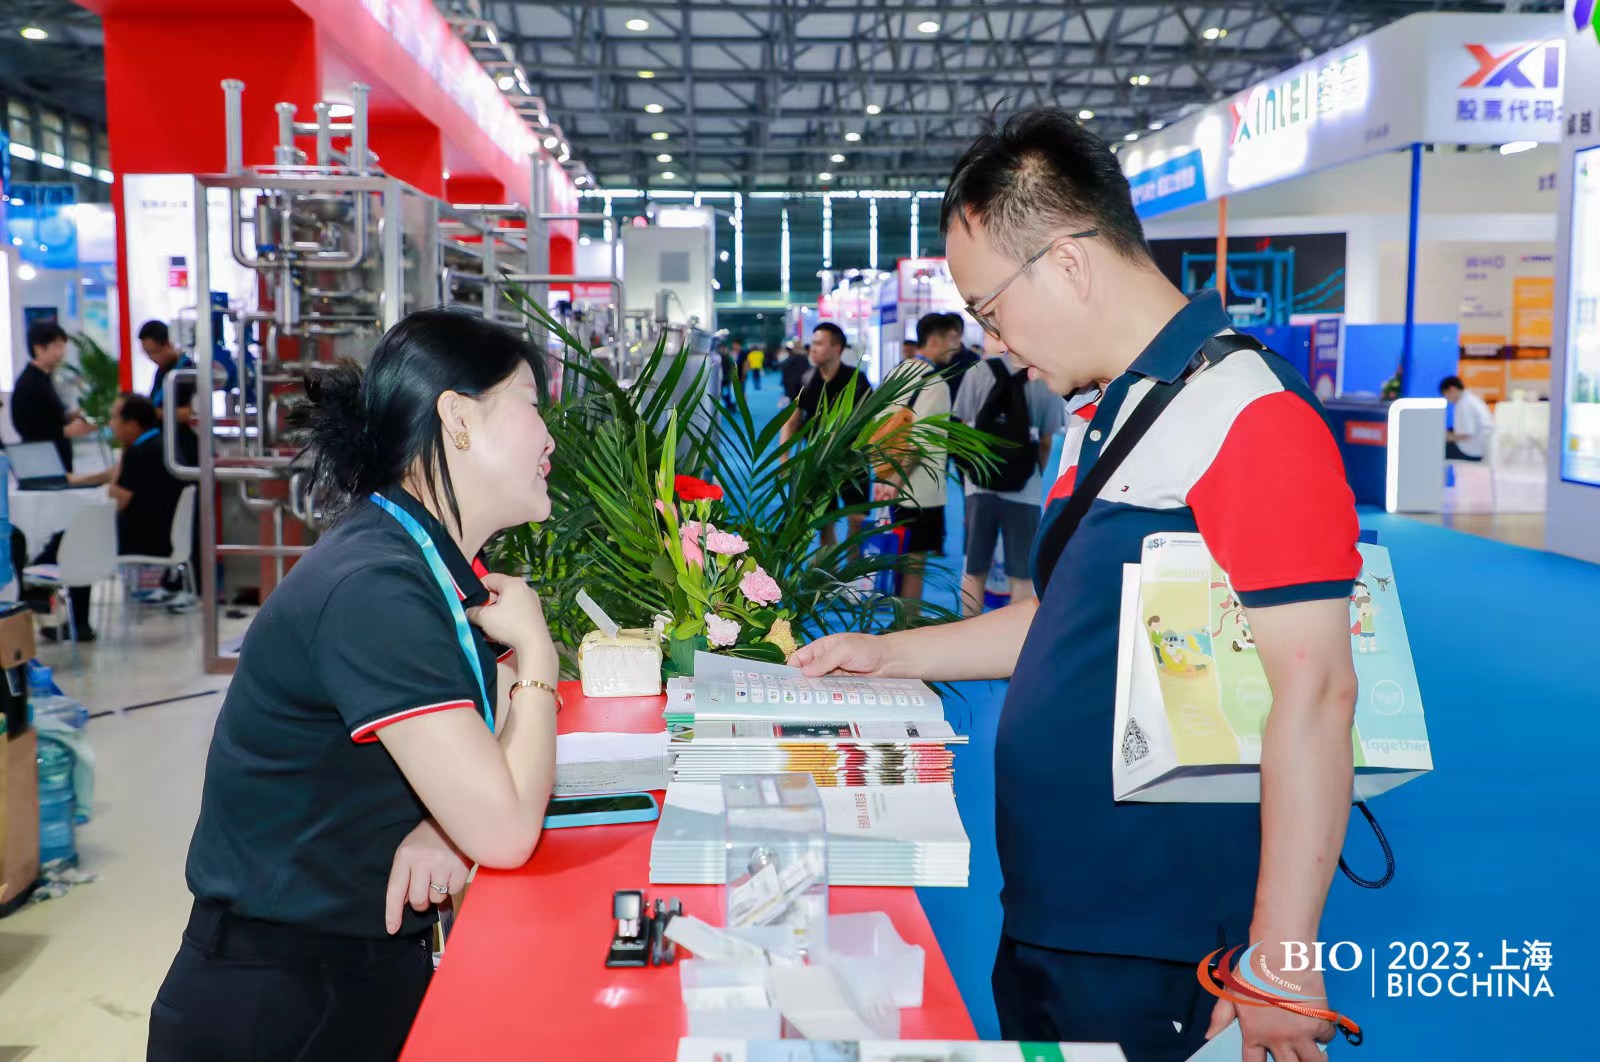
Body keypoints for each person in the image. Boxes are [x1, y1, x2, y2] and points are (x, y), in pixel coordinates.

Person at [796, 108, 1361, 1062]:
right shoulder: (1118, 407)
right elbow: (1063, 622)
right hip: (1058, 912)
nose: (996, 345)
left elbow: (1318, 693)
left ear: (1067, 262)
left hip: (1168, 941)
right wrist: (889, 653)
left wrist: (1285, 958)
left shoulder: (1249, 417)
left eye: (989, 311)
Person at [148, 309, 561, 1061]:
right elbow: (505, 833)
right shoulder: (376, 587)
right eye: (533, 404)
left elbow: (471, 777)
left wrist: (444, 821)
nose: (550, 439)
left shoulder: (412, 559)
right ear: (459, 419)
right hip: (285, 1005)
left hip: (340, 973)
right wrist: (538, 657)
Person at [953, 329, 1066, 616]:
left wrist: (969, 469)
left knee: (974, 568)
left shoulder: (978, 371)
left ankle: (967, 638)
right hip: (1024, 489)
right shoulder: (1043, 377)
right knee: (1021, 574)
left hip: (979, 486)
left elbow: (962, 426)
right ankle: (1012, 649)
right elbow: (1045, 440)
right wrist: (1033, 473)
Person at [872, 313, 957, 602]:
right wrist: (895, 482)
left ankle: (896, 620)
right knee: (914, 562)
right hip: (919, 491)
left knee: (895, 557)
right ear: (934, 340)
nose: (956, 347)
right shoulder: (936, 384)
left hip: (887, 479)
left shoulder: (896, 373)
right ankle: (907, 622)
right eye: (952, 339)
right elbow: (919, 444)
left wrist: (884, 480)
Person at [779, 323, 873, 555]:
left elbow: (873, 422)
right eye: (813, 343)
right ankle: (828, 580)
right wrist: (784, 461)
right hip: (818, 462)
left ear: (837, 348)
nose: (813, 349)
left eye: (820, 344)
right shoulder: (807, 379)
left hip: (853, 461)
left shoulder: (857, 380)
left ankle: (852, 576)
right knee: (824, 522)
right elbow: (791, 421)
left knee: (856, 520)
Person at [12, 320, 96, 472]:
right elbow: (26, 427)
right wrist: (65, 431)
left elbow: (45, 416)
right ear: (38, 349)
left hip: (56, 457)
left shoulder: (45, 378)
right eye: (57, 347)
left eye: (63, 347)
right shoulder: (28, 383)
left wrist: (69, 417)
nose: (62, 353)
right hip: (43, 461)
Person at [139, 319, 199, 465]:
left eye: (153, 352)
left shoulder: (188, 371)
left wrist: (154, 413)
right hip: (163, 441)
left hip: (183, 445)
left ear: (167, 344)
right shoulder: (161, 372)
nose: (151, 358)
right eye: (147, 354)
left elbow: (191, 413)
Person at [1440, 374, 1493, 461]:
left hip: (1470, 451)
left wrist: (1448, 437)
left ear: (1452, 389)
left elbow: (1467, 433)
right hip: (1479, 446)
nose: (1447, 399)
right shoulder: (1470, 399)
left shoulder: (1464, 404)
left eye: (1446, 395)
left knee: (1435, 449)